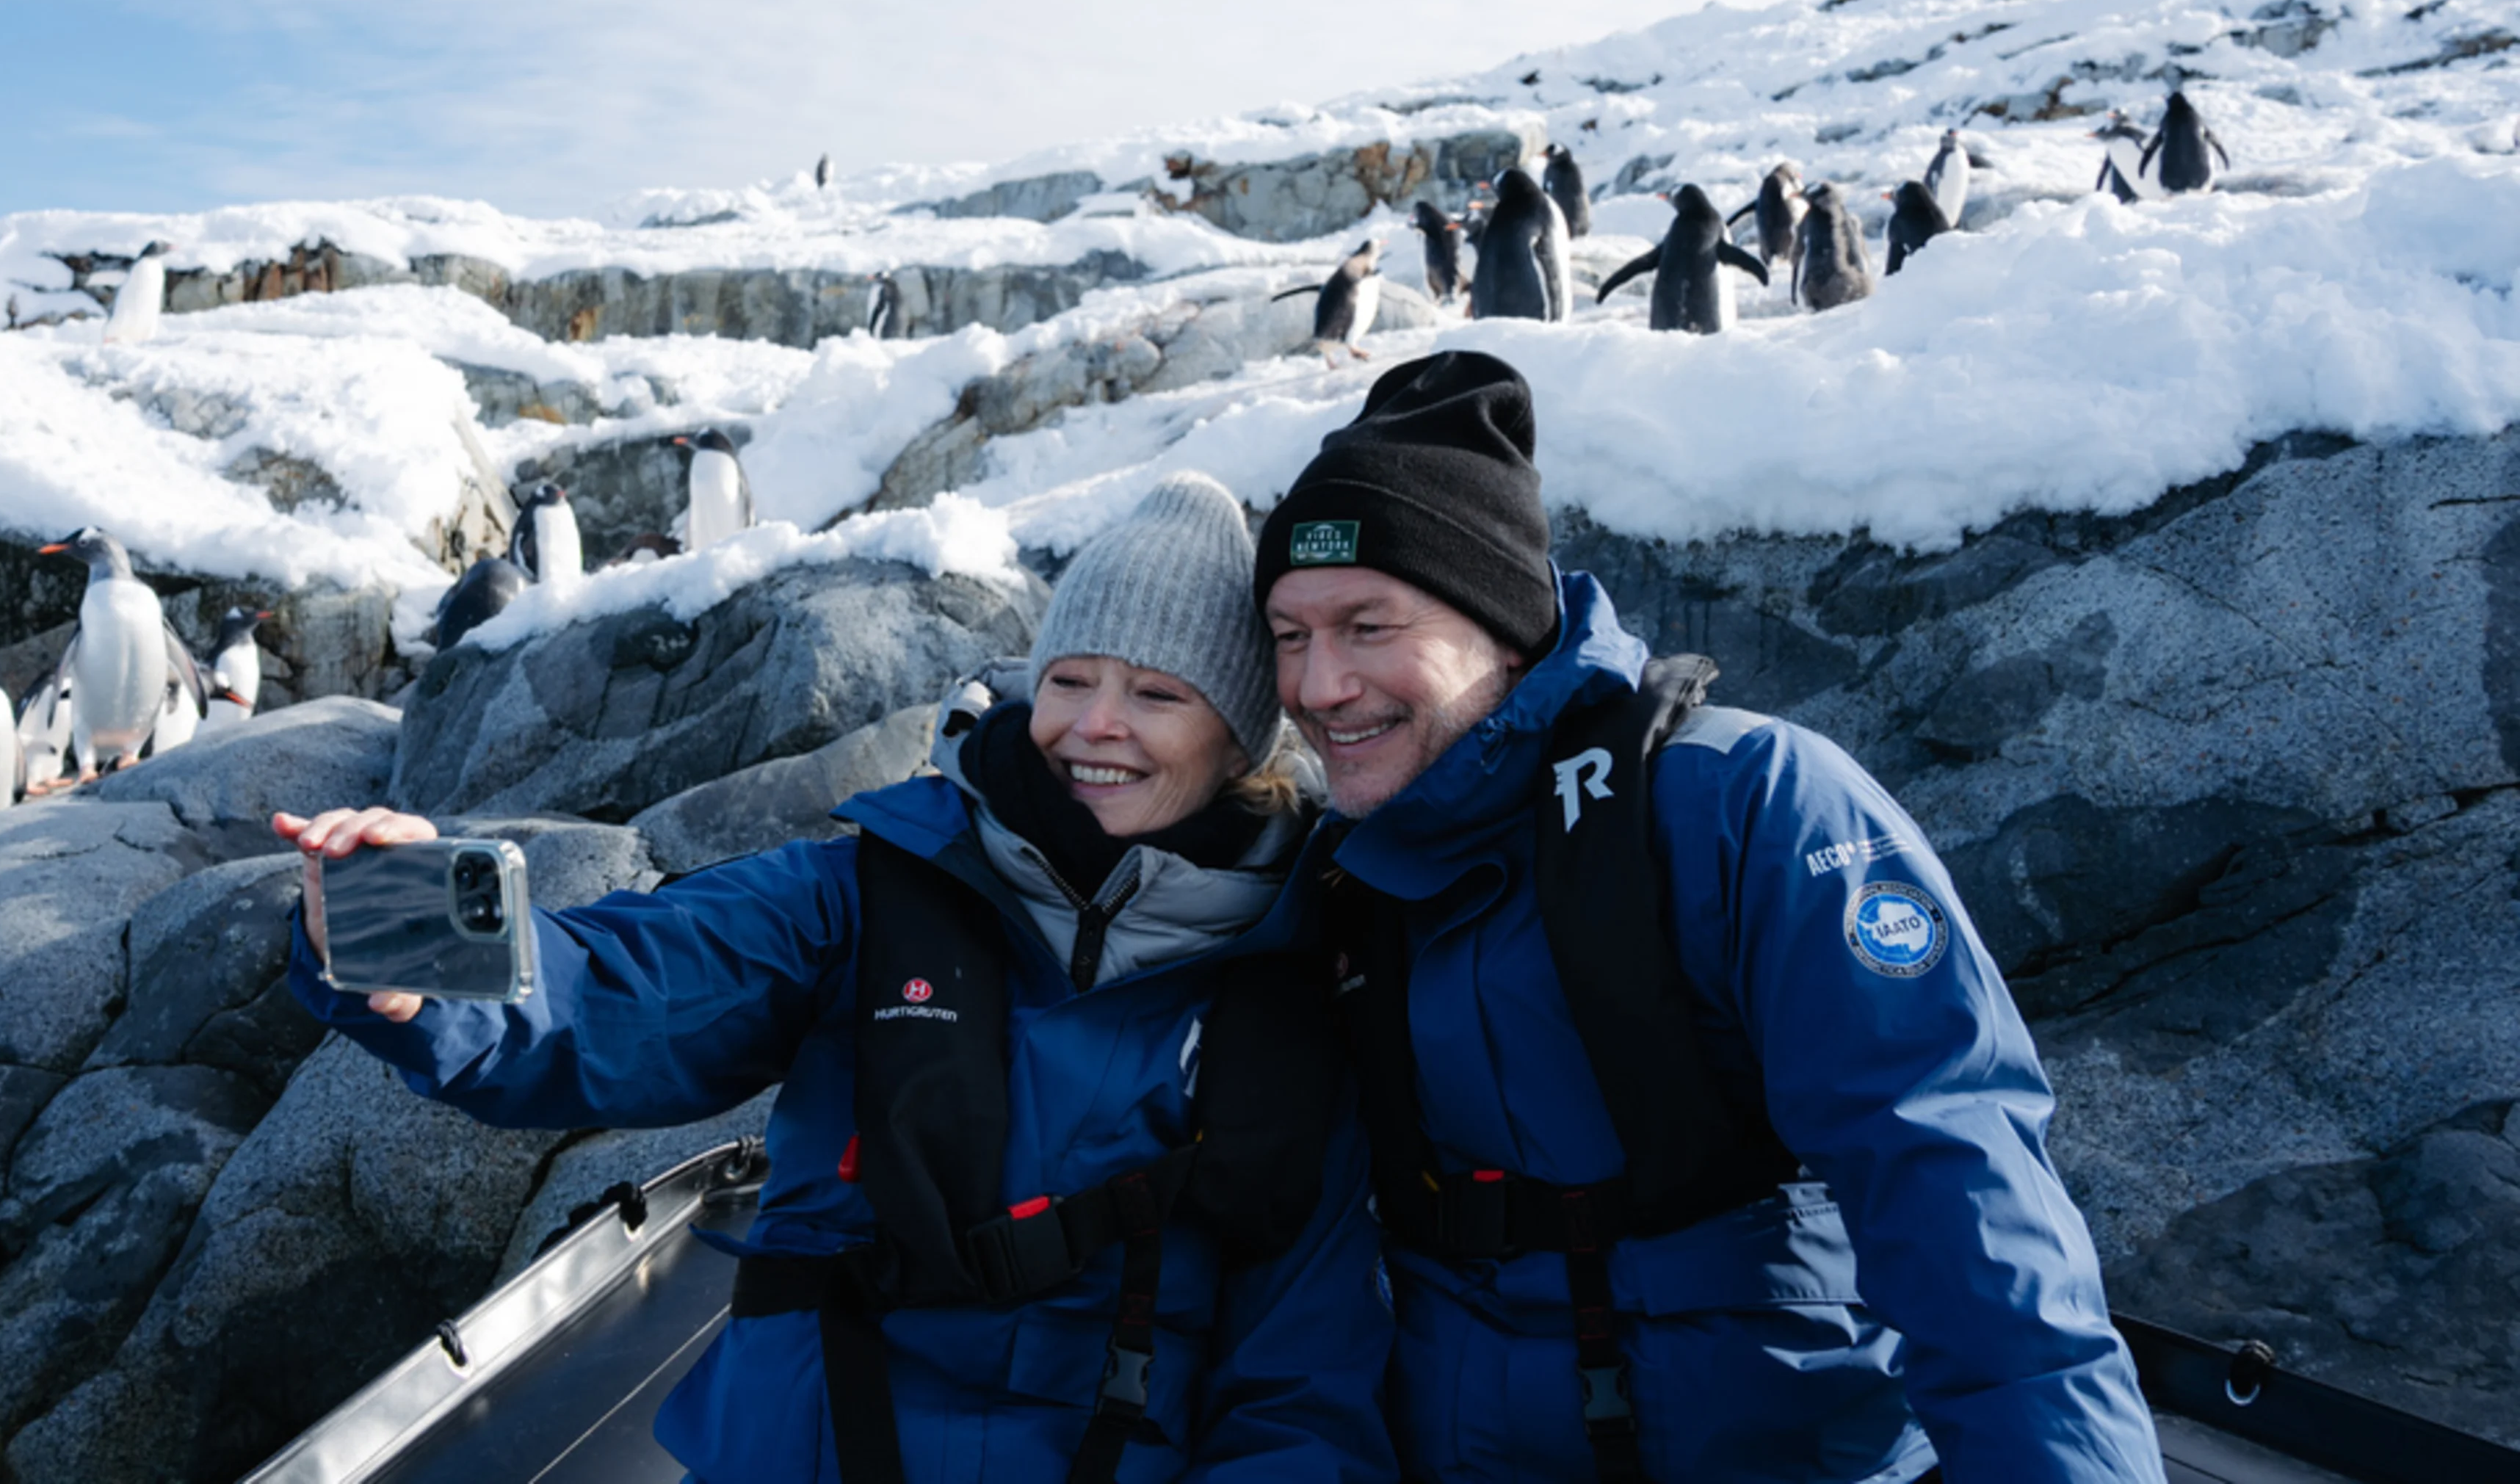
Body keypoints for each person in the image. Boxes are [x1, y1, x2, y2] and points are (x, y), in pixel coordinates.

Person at [280, 471, 1396, 1484]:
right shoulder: (870, 896)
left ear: (1241, 742)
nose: (1093, 726)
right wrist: (433, 965)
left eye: (1158, 696)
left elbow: (1302, 1385)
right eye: (1069, 679)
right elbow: (626, 988)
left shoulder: (1288, 993)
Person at [1251, 351, 2164, 1483]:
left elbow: (1951, 1183)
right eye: (1289, 637)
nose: (1320, 685)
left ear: (1500, 619)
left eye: (1369, 627)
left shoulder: (1748, 807)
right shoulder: (1346, 872)